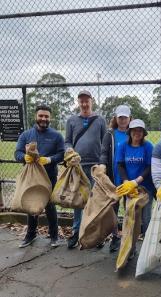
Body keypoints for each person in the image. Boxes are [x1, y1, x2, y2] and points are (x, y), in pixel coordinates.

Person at [15, 104, 65, 248]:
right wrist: (24, 158)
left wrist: (49, 159)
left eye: (46, 116)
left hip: (49, 176)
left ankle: (54, 236)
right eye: (41, 116)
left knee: (50, 206)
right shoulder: (26, 135)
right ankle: (30, 235)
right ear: (36, 116)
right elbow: (17, 153)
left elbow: (61, 154)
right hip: (31, 178)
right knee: (32, 205)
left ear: (50, 118)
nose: (43, 118)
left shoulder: (56, 136)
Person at [65, 90, 106, 249]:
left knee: (96, 201)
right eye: (81, 101)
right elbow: (67, 141)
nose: (84, 104)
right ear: (78, 102)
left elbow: (105, 143)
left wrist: (103, 164)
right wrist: (69, 150)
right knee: (78, 201)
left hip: (95, 166)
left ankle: (96, 235)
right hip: (78, 167)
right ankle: (76, 233)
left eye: (86, 100)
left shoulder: (100, 120)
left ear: (91, 101)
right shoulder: (72, 120)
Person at [115, 119, 154, 255]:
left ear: (143, 133)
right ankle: (130, 248)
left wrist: (136, 182)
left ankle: (148, 249)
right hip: (129, 189)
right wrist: (126, 182)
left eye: (140, 130)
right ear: (129, 132)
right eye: (134, 130)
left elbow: (149, 167)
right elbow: (120, 165)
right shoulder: (123, 146)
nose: (137, 133)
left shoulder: (148, 146)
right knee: (130, 218)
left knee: (146, 218)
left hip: (145, 187)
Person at [99, 105, 131, 252]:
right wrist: (102, 165)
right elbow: (104, 152)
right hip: (114, 177)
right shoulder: (110, 134)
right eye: (120, 117)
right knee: (113, 209)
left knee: (129, 209)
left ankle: (128, 236)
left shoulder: (134, 133)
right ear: (116, 119)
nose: (123, 120)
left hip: (130, 179)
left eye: (125, 117)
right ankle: (114, 237)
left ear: (130, 118)